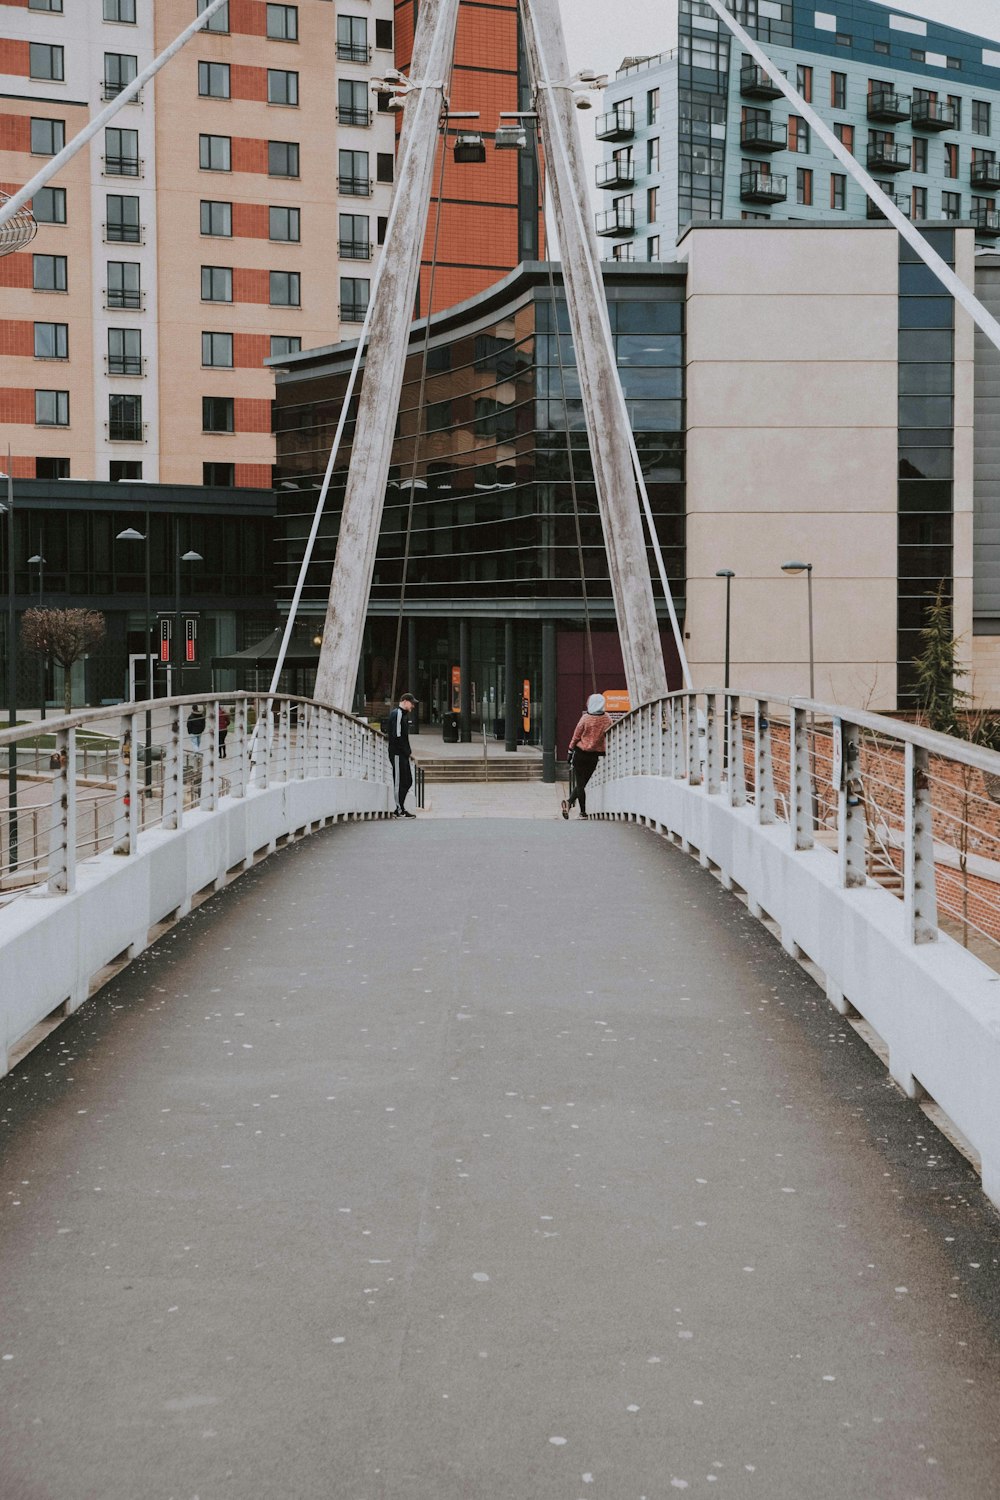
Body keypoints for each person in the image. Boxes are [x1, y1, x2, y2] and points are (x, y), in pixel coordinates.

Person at [562, 692, 614, 821]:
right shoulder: (607, 718)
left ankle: (582, 812)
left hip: (580, 753)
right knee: (583, 783)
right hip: (595, 755)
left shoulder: (585, 718)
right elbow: (610, 733)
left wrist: (569, 751)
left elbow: (576, 736)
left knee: (580, 783)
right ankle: (569, 803)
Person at [387, 693, 417, 818]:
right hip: (398, 753)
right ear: (405, 701)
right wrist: (405, 751)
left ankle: (401, 807)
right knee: (400, 781)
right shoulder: (398, 714)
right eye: (411, 703)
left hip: (402, 753)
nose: (413, 706)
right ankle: (399, 809)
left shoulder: (401, 715)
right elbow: (397, 735)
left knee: (407, 780)